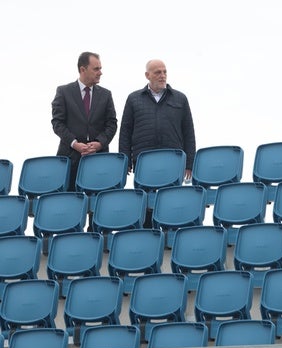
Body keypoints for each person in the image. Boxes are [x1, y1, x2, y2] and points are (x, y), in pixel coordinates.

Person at [119, 59, 196, 226]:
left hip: (173, 161)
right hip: (143, 161)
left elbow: (189, 132)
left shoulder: (180, 99)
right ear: (147, 75)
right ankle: (147, 236)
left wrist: (189, 162)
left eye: (164, 72)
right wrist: (125, 161)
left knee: (172, 199)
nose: (162, 76)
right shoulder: (133, 99)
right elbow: (125, 131)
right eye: (157, 72)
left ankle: (172, 234)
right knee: (146, 202)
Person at [51, 51, 118, 191]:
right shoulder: (63, 92)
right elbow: (57, 123)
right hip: (70, 158)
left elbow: (112, 123)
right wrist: (75, 144)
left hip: (99, 160)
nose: (100, 72)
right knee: (70, 205)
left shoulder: (106, 95)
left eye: (100, 68)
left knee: (99, 207)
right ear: (83, 69)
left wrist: (100, 143)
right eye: (96, 69)